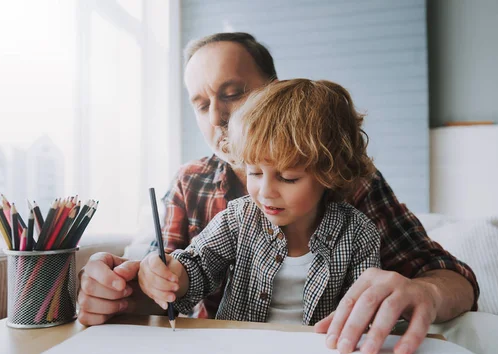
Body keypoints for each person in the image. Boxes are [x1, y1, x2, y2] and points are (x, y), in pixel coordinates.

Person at [77, 32, 479, 354]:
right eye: (200, 104)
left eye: (232, 94)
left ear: (273, 92)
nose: (217, 117)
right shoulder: (199, 187)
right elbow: (175, 280)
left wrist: (413, 299)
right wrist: (129, 285)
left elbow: (434, 278)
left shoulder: (356, 206)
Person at [138, 78, 381, 325]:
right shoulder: (238, 219)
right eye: (254, 173)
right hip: (237, 351)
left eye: (288, 178)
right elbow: (198, 267)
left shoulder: (359, 234)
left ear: (330, 173)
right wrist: (174, 275)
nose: (265, 192)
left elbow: (366, 309)